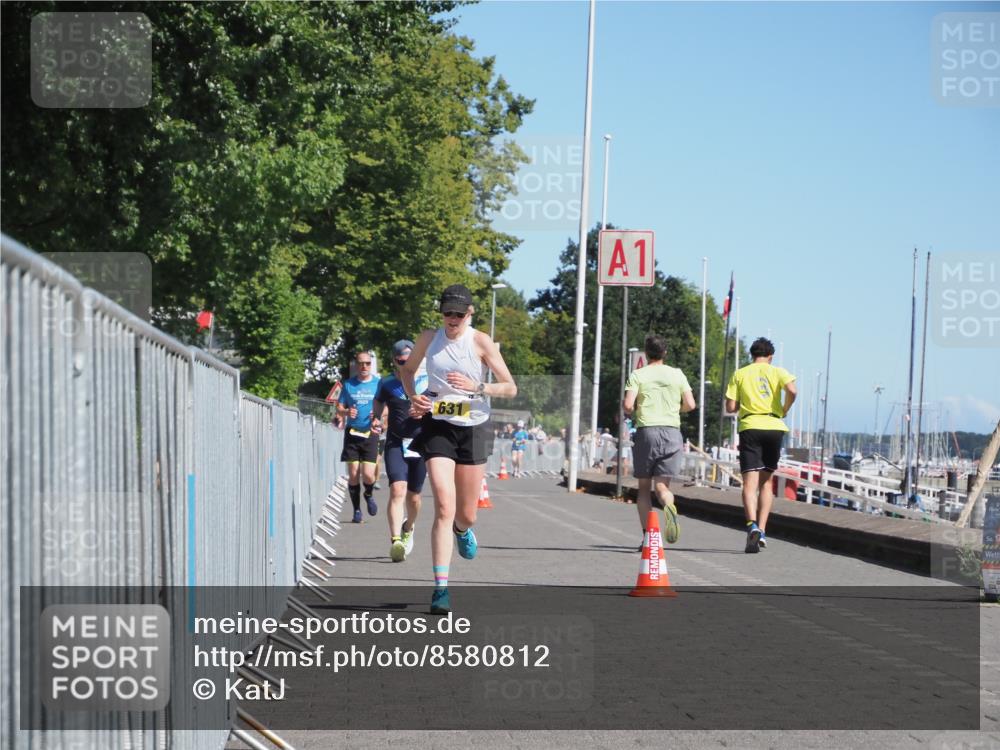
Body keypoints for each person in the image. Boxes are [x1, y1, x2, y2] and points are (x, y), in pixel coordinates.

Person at [401, 284, 517, 614]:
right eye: (447, 313)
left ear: (470, 314)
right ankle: (441, 589)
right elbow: (407, 371)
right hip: (438, 424)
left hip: (474, 426)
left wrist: (478, 386)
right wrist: (414, 396)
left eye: (458, 314)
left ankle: (462, 530)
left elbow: (510, 387)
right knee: (443, 503)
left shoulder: (479, 342)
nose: (452, 319)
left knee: (466, 513)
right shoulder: (428, 338)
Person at [623, 334, 696, 548]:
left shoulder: (638, 374)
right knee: (662, 487)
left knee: (644, 487)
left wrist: (635, 409)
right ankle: (668, 506)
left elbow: (628, 405)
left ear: (646, 354)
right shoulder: (677, 374)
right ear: (665, 353)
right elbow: (691, 404)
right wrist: (676, 409)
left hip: (647, 432)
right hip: (672, 432)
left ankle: (648, 538)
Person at [725, 337, 797, 553]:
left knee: (749, 483)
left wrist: (742, 403)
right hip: (774, 426)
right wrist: (784, 409)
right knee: (766, 483)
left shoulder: (741, 373)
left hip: (750, 427)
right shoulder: (778, 371)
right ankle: (763, 531)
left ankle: (752, 526)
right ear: (770, 356)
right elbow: (793, 391)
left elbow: (730, 407)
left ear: (752, 355)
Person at [371, 340, 428, 562]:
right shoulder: (386, 383)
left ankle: (409, 527)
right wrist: (376, 418)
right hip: (396, 442)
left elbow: (440, 405)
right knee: (397, 490)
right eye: (401, 361)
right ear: (394, 360)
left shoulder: (427, 380)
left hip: (420, 444)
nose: (405, 364)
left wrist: (425, 411)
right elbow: (378, 402)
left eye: (409, 360)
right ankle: (396, 541)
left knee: (414, 498)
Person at [337, 351, 381, 523]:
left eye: (368, 363)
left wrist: (378, 416)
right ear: (356, 365)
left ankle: (368, 495)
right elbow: (339, 407)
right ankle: (356, 511)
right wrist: (346, 411)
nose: (364, 367)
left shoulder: (378, 384)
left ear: (371, 365)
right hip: (352, 433)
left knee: (368, 475)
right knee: (354, 473)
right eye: (361, 363)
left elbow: (386, 408)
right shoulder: (349, 384)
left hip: (371, 433)